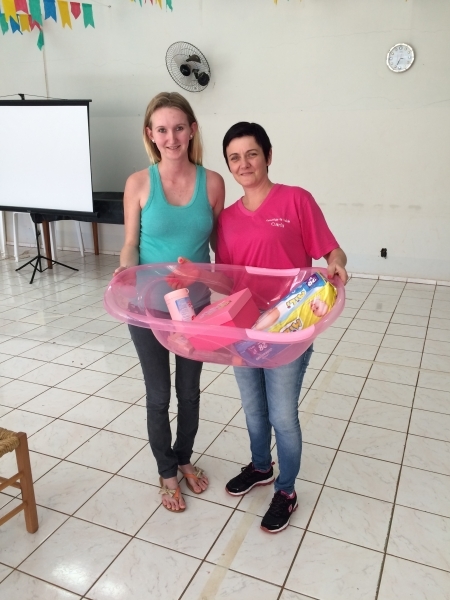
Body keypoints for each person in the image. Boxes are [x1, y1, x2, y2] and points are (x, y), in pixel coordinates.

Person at [215, 122, 348, 533]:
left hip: (289, 330)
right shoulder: (227, 219)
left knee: (282, 416)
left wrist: (336, 263)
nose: (244, 164)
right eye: (234, 158)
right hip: (246, 329)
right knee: (254, 409)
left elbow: (331, 249)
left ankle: (286, 490)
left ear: (268, 156)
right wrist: (191, 277)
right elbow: (226, 279)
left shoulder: (296, 200)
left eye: (252, 154)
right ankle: (261, 466)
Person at [114, 92, 224, 512]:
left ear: (192, 130)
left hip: (194, 311)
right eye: (162, 129)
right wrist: (125, 270)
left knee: (189, 392)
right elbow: (130, 244)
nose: (171, 137)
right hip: (146, 309)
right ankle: (166, 471)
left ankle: (184, 457)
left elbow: (219, 251)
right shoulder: (138, 183)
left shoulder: (212, 183)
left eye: (179, 128)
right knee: (158, 394)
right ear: (150, 134)